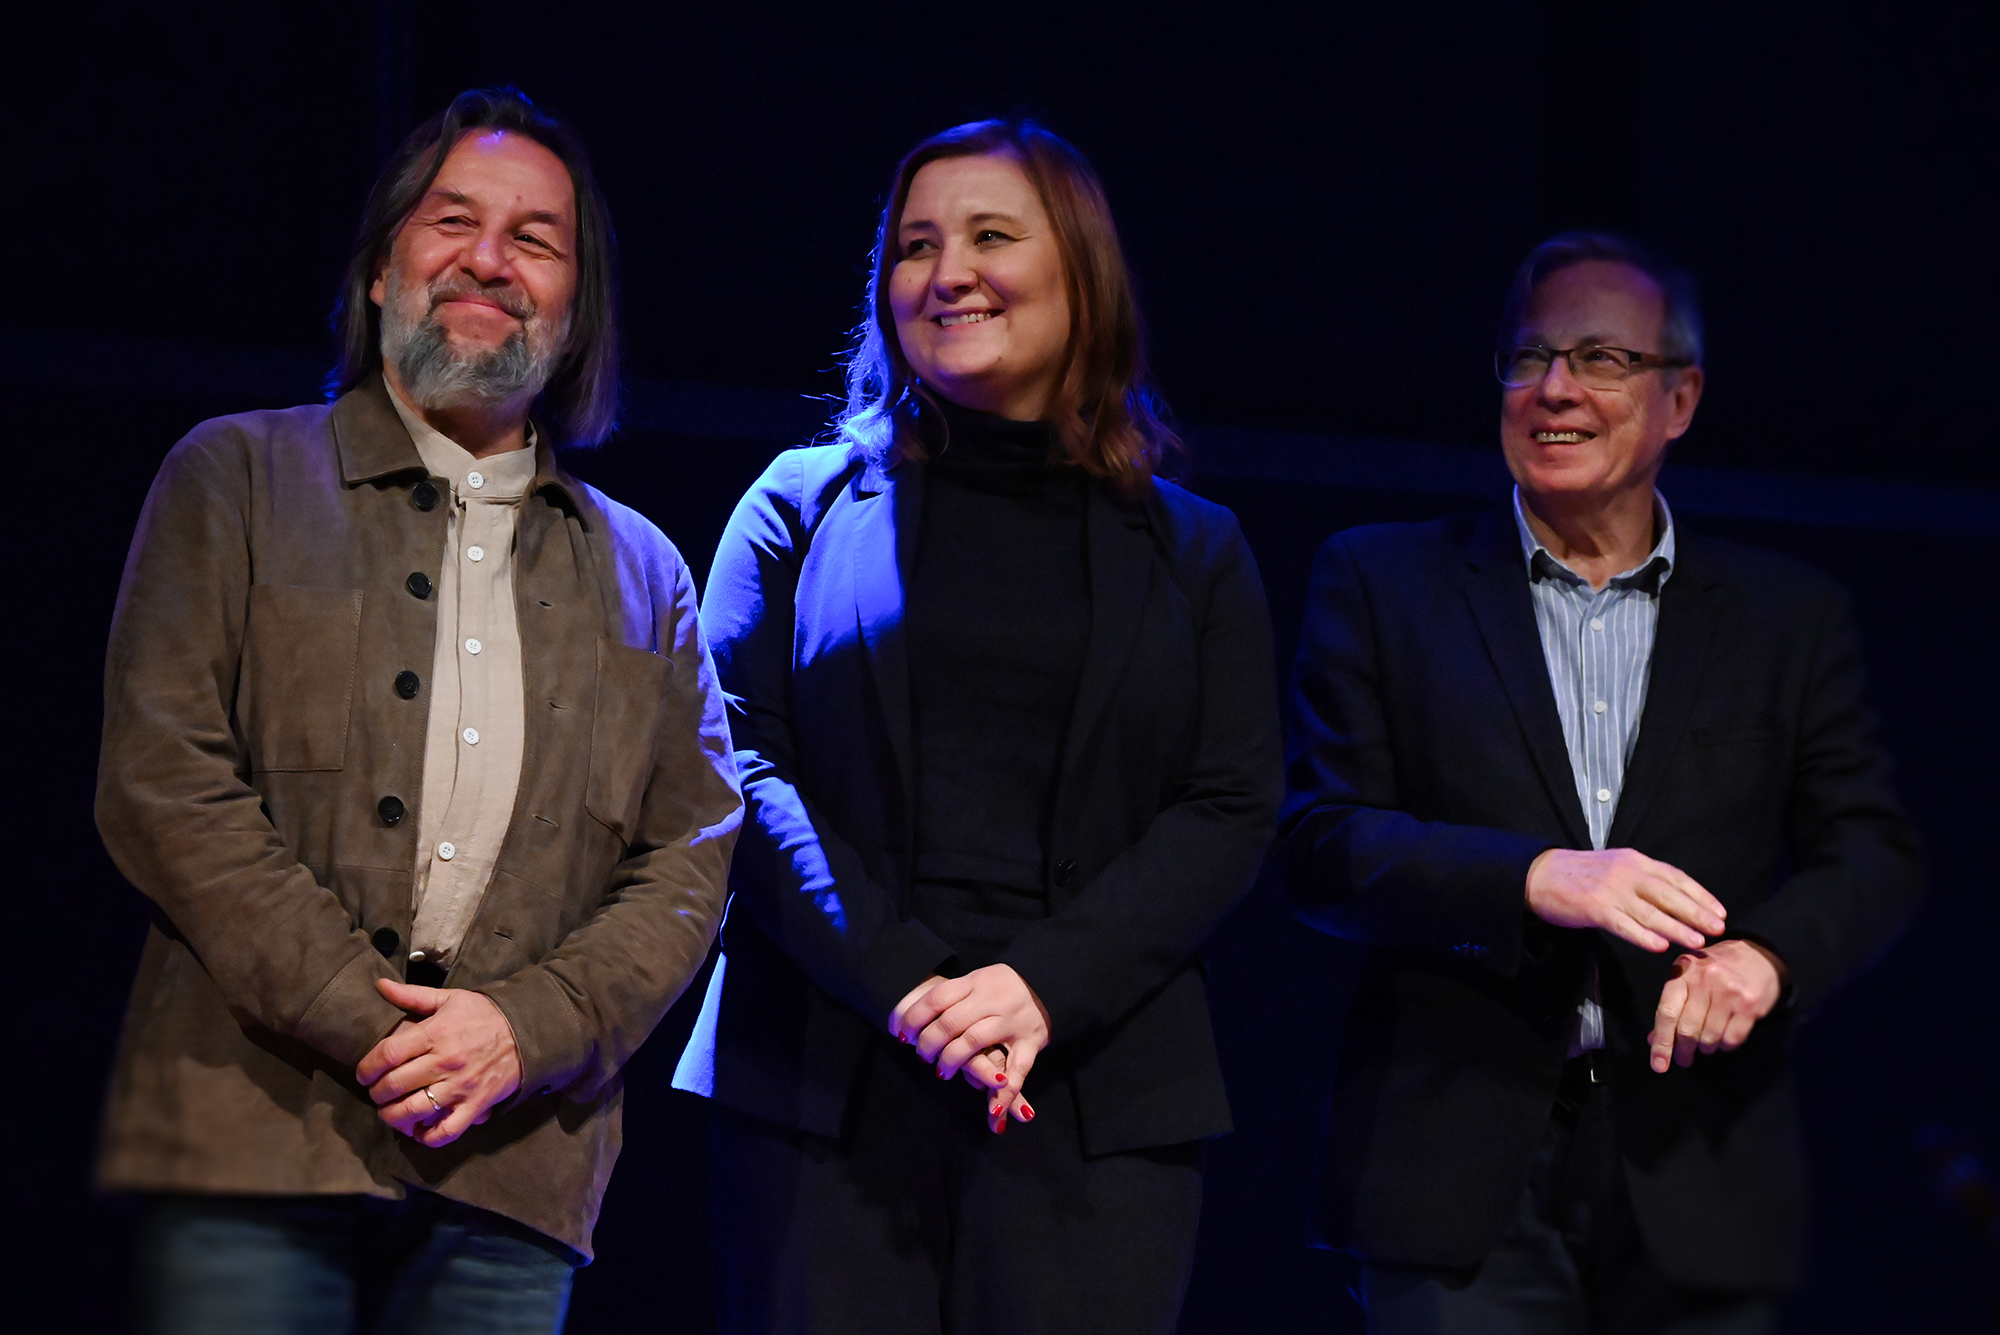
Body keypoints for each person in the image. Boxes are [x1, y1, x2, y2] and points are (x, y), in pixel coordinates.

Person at [95, 87, 741, 1334]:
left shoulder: (646, 571)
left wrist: (524, 1032)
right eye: (451, 221)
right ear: (381, 271)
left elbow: (689, 856)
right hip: (250, 1138)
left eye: (534, 239)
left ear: (576, 310)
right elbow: (164, 780)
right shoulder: (234, 477)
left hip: (514, 1170)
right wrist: (371, 1022)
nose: (488, 259)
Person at [672, 118, 1282, 1333]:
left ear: (1080, 273)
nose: (946, 272)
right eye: (914, 245)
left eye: (990, 236)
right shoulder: (793, 506)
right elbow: (734, 764)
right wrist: (908, 984)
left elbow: (1228, 806)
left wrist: (1041, 985)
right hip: (824, 1075)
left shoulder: (1194, 547)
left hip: (1092, 1084)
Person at [1277, 232, 1923, 1333]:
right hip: (1452, 1161)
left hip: (1698, 1165)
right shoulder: (1381, 578)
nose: (1554, 389)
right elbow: (1320, 844)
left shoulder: (1783, 617)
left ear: (1680, 399)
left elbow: (1870, 853)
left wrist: (1766, 959)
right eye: (1528, 357)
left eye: (1600, 359)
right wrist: (1536, 876)